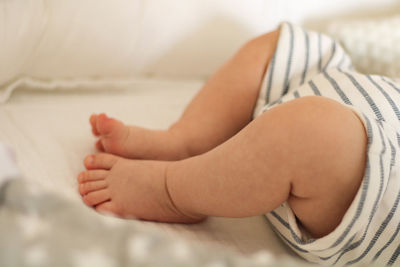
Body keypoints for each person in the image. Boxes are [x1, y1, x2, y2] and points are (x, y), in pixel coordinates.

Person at [77, 22, 400, 266]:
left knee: (315, 135)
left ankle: (172, 192)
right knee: (293, 45)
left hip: (374, 185)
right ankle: (187, 140)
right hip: (346, 91)